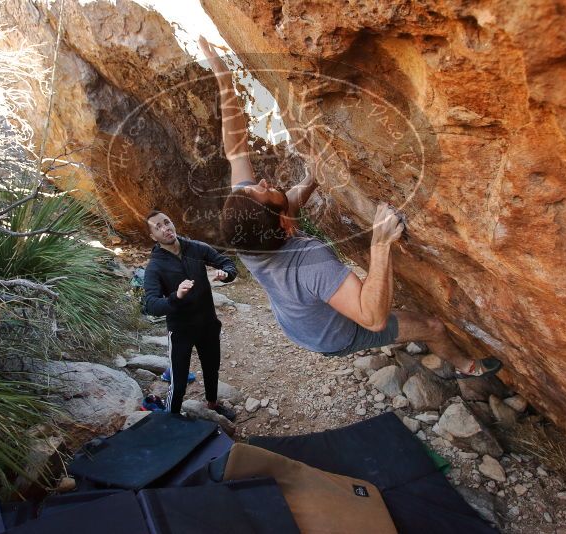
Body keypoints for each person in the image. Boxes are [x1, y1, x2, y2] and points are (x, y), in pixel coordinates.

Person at [198, 37, 501, 379]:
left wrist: (223, 78)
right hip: (335, 335)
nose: (263, 182)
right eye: (263, 191)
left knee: (291, 200)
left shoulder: (247, 232)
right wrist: (380, 242)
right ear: (284, 225)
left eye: (254, 186)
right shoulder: (311, 262)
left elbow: (236, 149)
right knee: (431, 325)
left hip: (299, 320)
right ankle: (467, 366)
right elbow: (372, 317)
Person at [142, 209, 238, 421]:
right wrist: (176, 296)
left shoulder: (195, 248)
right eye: (158, 227)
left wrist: (226, 274)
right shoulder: (155, 267)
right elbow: (151, 304)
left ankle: (212, 404)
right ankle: (171, 420)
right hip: (181, 331)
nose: (165, 228)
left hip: (208, 324)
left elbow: (227, 263)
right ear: (153, 237)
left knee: (211, 369)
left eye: (166, 222)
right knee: (179, 381)